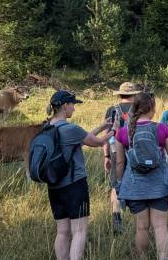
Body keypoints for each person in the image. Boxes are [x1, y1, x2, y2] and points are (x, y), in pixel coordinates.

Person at [46, 90, 114, 260]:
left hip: (54, 185)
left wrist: (102, 126)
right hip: (74, 185)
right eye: (72, 105)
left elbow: (82, 137)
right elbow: (97, 142)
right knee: (79, 231)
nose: (74, 109)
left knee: (62, 231)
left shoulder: (46, 127)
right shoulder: (71, 128)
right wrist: (114, 130)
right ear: (64, 106)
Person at [115, 92, 168, 260]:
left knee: (141, 228)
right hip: (160, 185)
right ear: (152, 108)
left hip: (134, 186)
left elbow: (120, 163)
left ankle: (141, 257)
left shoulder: (123, 132)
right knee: (160, 227)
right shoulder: (161, 128)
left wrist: (119, 182)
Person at [102, 82, 141, 233]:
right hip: (135, 150)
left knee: (115, 184)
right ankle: (138, 217)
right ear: (134, 94)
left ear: (120, 94)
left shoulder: (111, 110)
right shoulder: (139, 108)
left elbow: (106, 135)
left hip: (114, 149)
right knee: (137, 181)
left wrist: (106, 155)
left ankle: (117, 218)